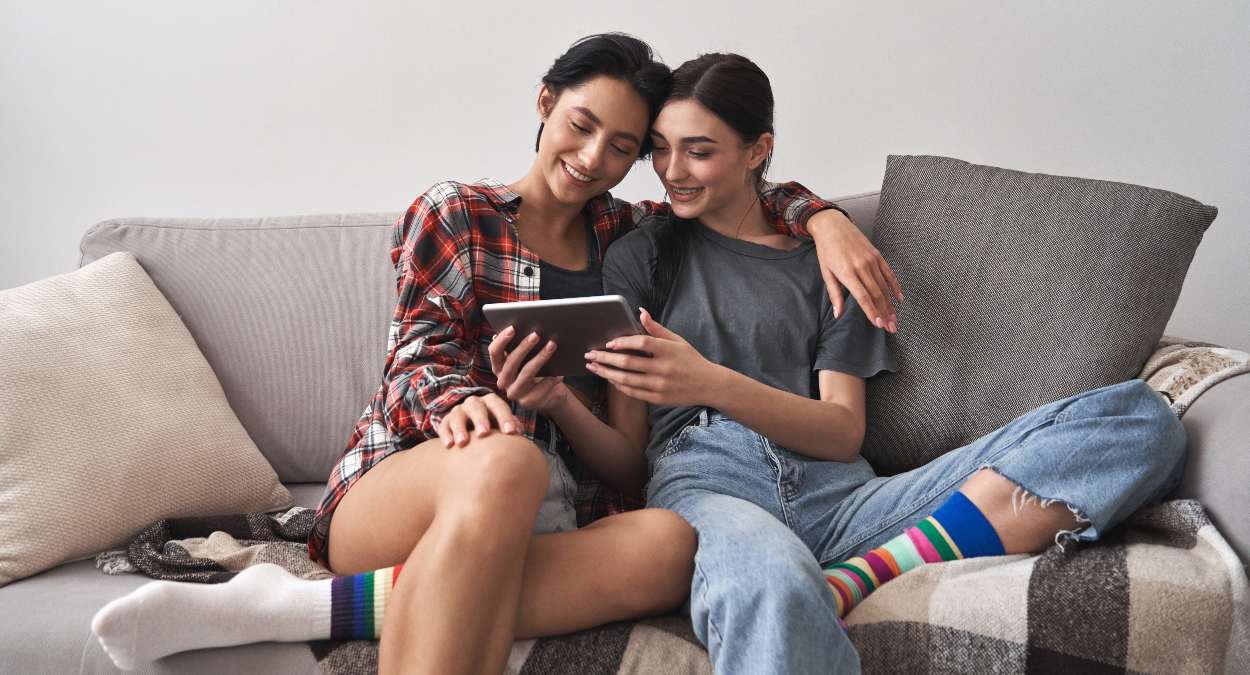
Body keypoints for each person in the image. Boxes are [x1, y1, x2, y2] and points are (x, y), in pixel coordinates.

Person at [90, 34, 901, 674]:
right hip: (413, 478)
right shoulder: (457, 211)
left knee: (671, 540)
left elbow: (725, 192)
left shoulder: (630, 236)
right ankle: (368, 568)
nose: (593, 159)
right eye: (582, 126)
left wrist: (822, 216)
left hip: (550, 512)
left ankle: (307, 609)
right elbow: (415, 356)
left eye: (623, 146)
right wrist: (464, 405)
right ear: (546, 103)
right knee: (505, 458)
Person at [562, 52, 1188, 673]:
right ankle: (834, 577)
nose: (672, 171)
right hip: (709, 487)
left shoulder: (833, 264)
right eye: (660, 150)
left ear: (758, 150)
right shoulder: (640, 257)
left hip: (844, 500)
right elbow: (630, 460)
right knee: (773, 582)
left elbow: (841, 434)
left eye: (698, 150)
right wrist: (558, 402)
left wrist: (712, 382)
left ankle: (861, 573)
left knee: (1139, 418)